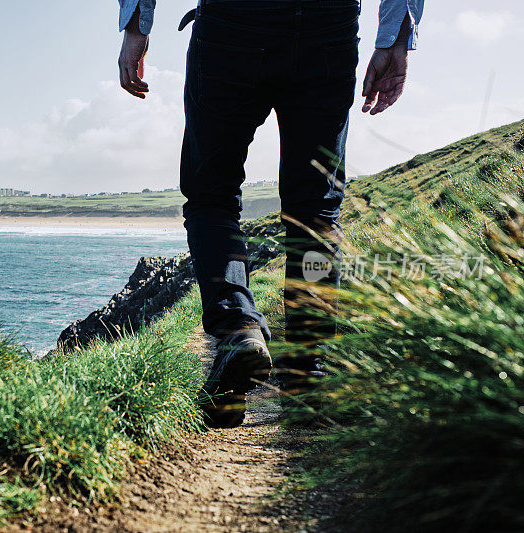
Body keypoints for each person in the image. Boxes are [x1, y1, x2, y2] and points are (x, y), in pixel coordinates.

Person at [117, 0, 424, 427]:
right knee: (315, 212)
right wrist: (396, 38)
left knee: (212, 197)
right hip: (327, 27)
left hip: (232, 27)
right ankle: (307, 374)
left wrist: (136, 23)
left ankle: (238, 328)